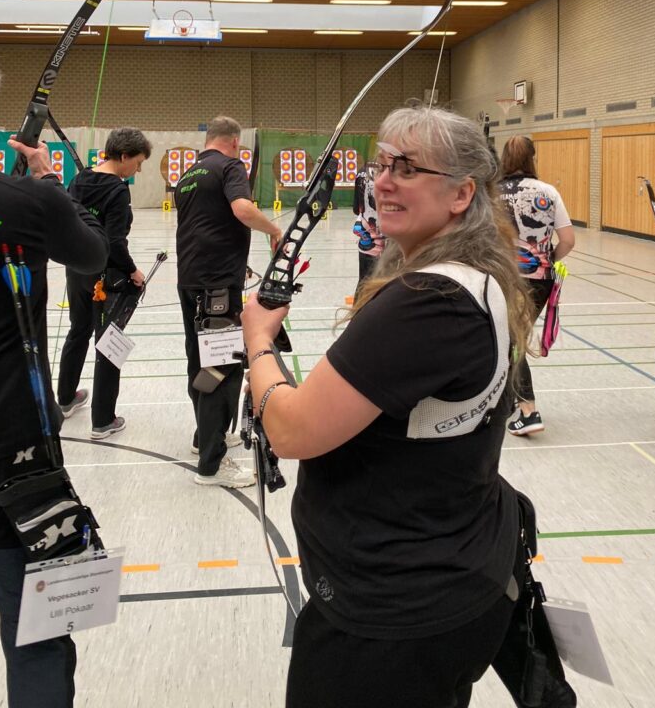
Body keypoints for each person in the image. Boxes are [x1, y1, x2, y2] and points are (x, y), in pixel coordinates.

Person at [242, 105, 534, 708]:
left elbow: (292, 430)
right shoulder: (472, 276)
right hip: (442, 575)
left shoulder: (428, 298)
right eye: (381, 165)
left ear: (462, 195)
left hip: (393, 613)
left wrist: (259, 342)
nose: (383, 182)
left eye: (407, 168)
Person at [0, 32, 108, 708]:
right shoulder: (29, 201)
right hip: (13, 456)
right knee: (36, 629)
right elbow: (93, 255)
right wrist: (46, 183)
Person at [175, 115, 282, 488]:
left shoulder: (188, 175)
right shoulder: (230, 166)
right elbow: (241, 209)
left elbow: (208, 225)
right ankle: (212, 464)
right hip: (217, 285)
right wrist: (275, 230)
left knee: (199, 362)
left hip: (190, 281)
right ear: (235, 142)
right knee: (221, 367)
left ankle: (205, 436)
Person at [56, 127, 151, 440]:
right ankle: (103, 420)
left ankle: (65, 399)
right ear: (123, 156)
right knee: (109, 343)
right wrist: (133, 271)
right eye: (137, 163)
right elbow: (114, 242)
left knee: (78, 330)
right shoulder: (118, 190)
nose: (137, 170)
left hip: (77, 270)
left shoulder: (79, 179)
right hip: (105, 277)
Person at [498, 136, 575, 436]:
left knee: (511, 340)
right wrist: (548, 259)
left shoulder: (491, 193)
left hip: (504, 277)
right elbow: (568, 240)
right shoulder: (549, 192)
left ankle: (528, 410)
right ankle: (509, 401)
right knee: (510, 339)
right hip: (539, 278)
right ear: (532, 158)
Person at [351, 161, 385, 295]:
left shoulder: (363, 170)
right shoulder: (389, 172)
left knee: (364, 285)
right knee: (381, 289)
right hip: (384, 249)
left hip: (366, 245)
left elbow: (356, 209)